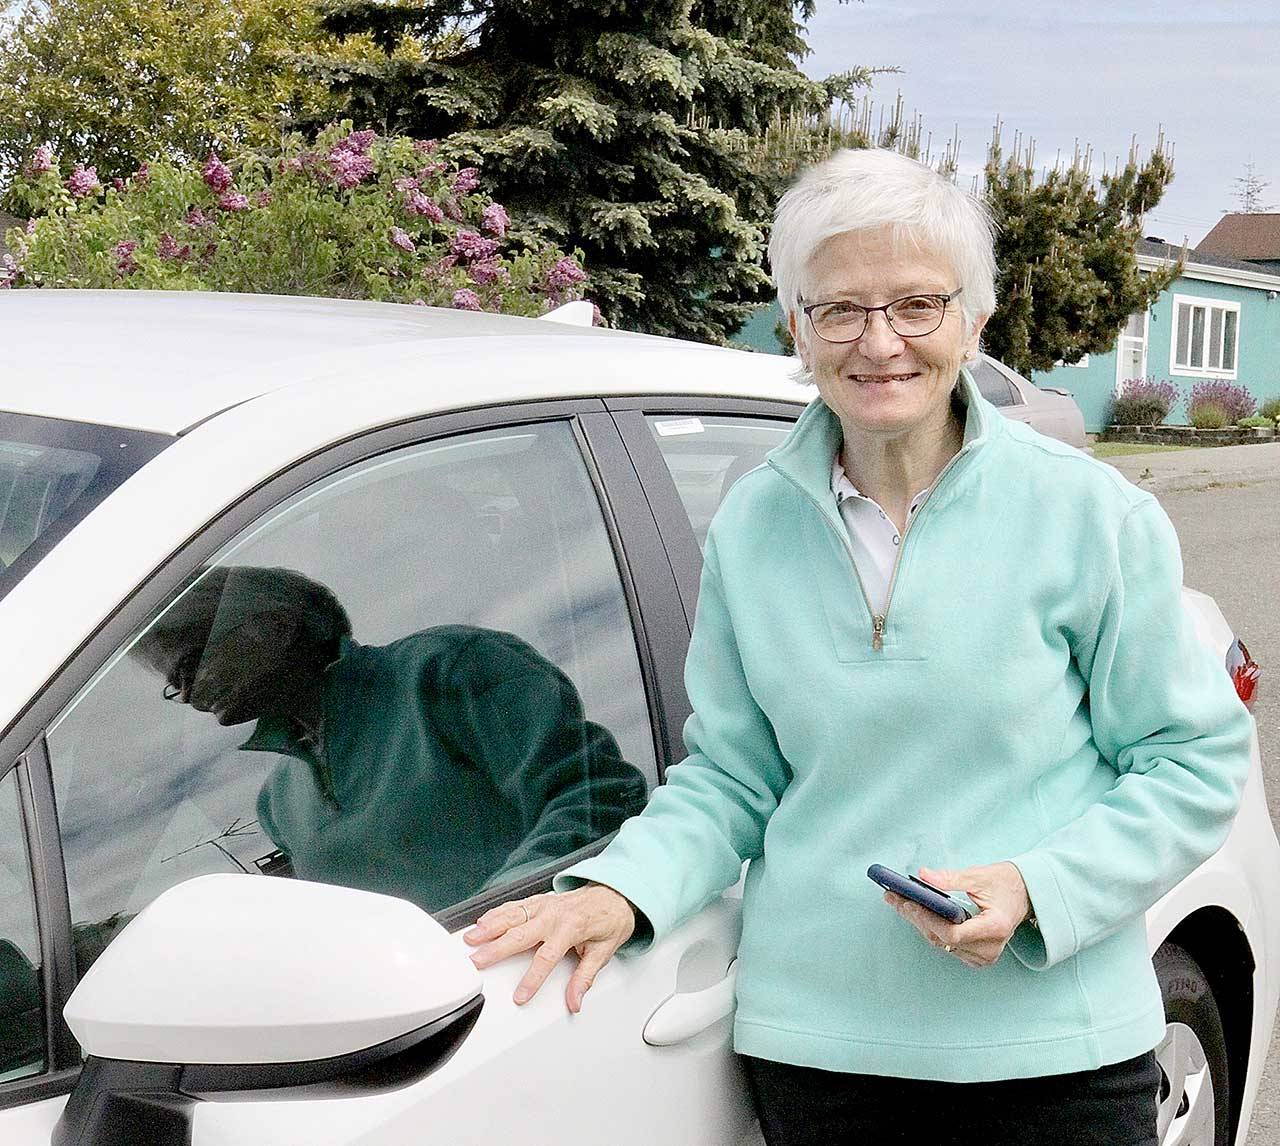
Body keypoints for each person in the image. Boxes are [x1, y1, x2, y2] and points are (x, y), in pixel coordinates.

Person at [462, 148, 1254, 1144]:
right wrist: (625, 886)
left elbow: (1190, 763)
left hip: (1054, 1058)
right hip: (820, 1062)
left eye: (915, 305)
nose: (877, 342)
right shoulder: (751, 525)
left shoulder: (1090, 517)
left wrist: (1032, 888)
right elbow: (734, 777)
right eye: (838, 308)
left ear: (972, 318)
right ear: (796, 325)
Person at [134, 565, 647, 913]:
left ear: (263, 629)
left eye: (187, 666)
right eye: (171, 683)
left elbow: (598, 799)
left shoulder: (452, 672)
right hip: (405, 1026)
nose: (182, 692)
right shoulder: (276, 804)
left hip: (533, 991)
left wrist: (489, 927)